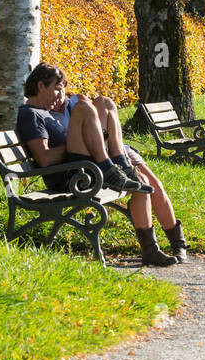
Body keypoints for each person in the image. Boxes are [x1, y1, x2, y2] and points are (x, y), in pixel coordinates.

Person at [17, 63, 187, 267]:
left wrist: (86, 134)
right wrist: (75, 140)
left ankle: (152, 250)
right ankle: (112, 167)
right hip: (72, 175)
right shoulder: (31, 115)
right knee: (84, 108)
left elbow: (84, 114)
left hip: (88, 165)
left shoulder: (58, 108)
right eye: (57, 88)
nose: (61, 94)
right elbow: (45, 159)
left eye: (63, 88)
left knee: (142, 183)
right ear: (40, 86)